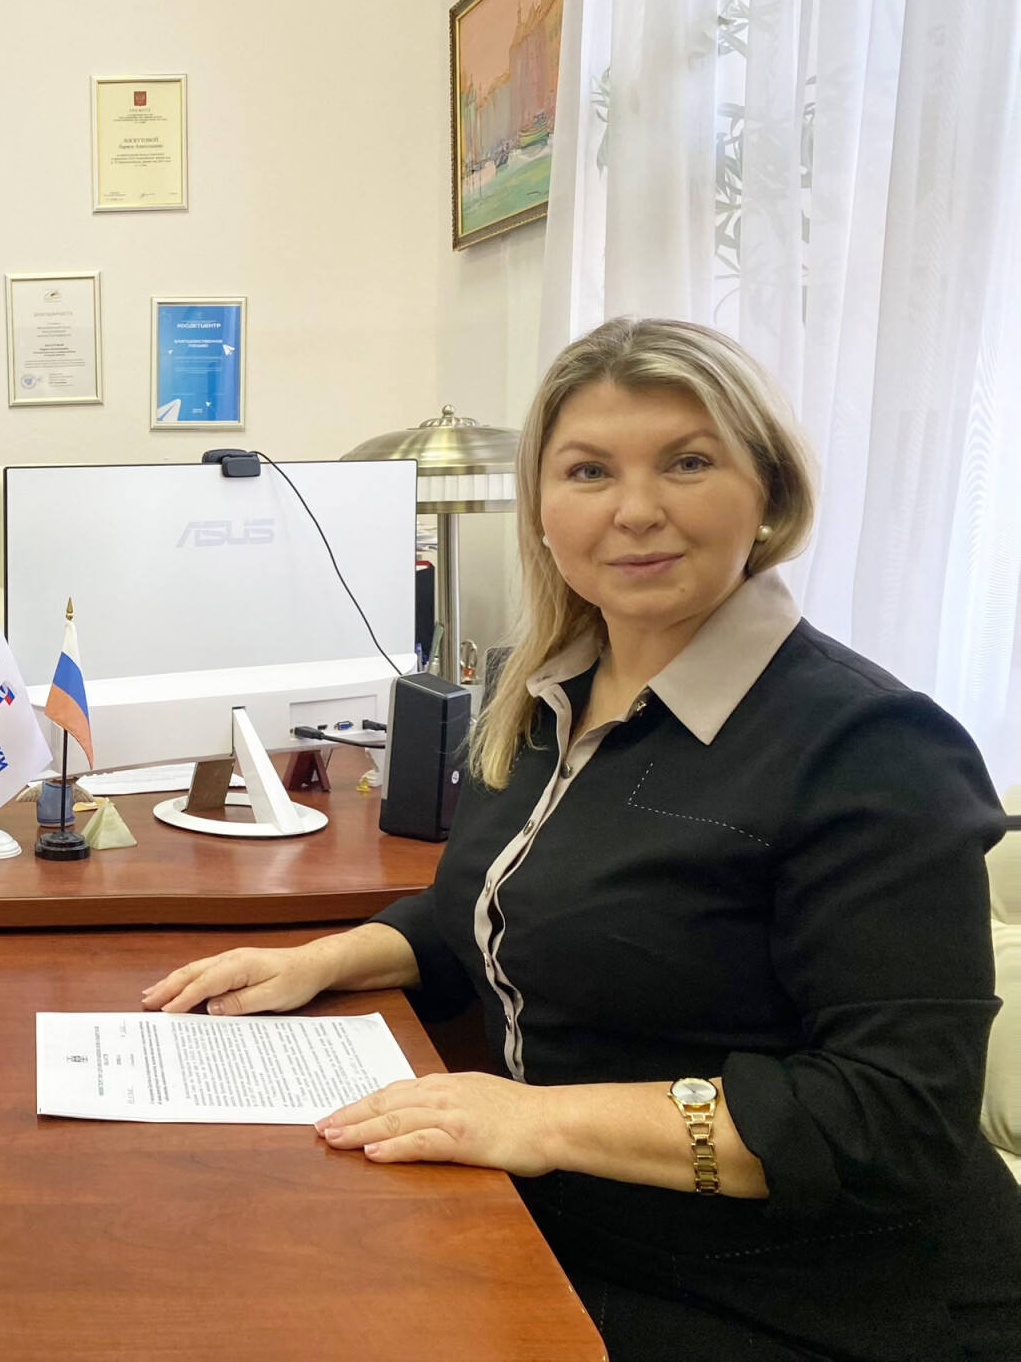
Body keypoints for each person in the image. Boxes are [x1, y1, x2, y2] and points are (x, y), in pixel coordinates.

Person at [144, 318, 1021, 1362]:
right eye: (589, 471)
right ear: (542, 509)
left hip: (813, 1297)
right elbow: (497, 903)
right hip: (571, 1233)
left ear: (770, 492)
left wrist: (537, 1120)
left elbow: (893, 1117)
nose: (635, 509)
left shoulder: (871, 747)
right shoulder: (539, 692)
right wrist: (322, 960)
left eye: (686, 462)